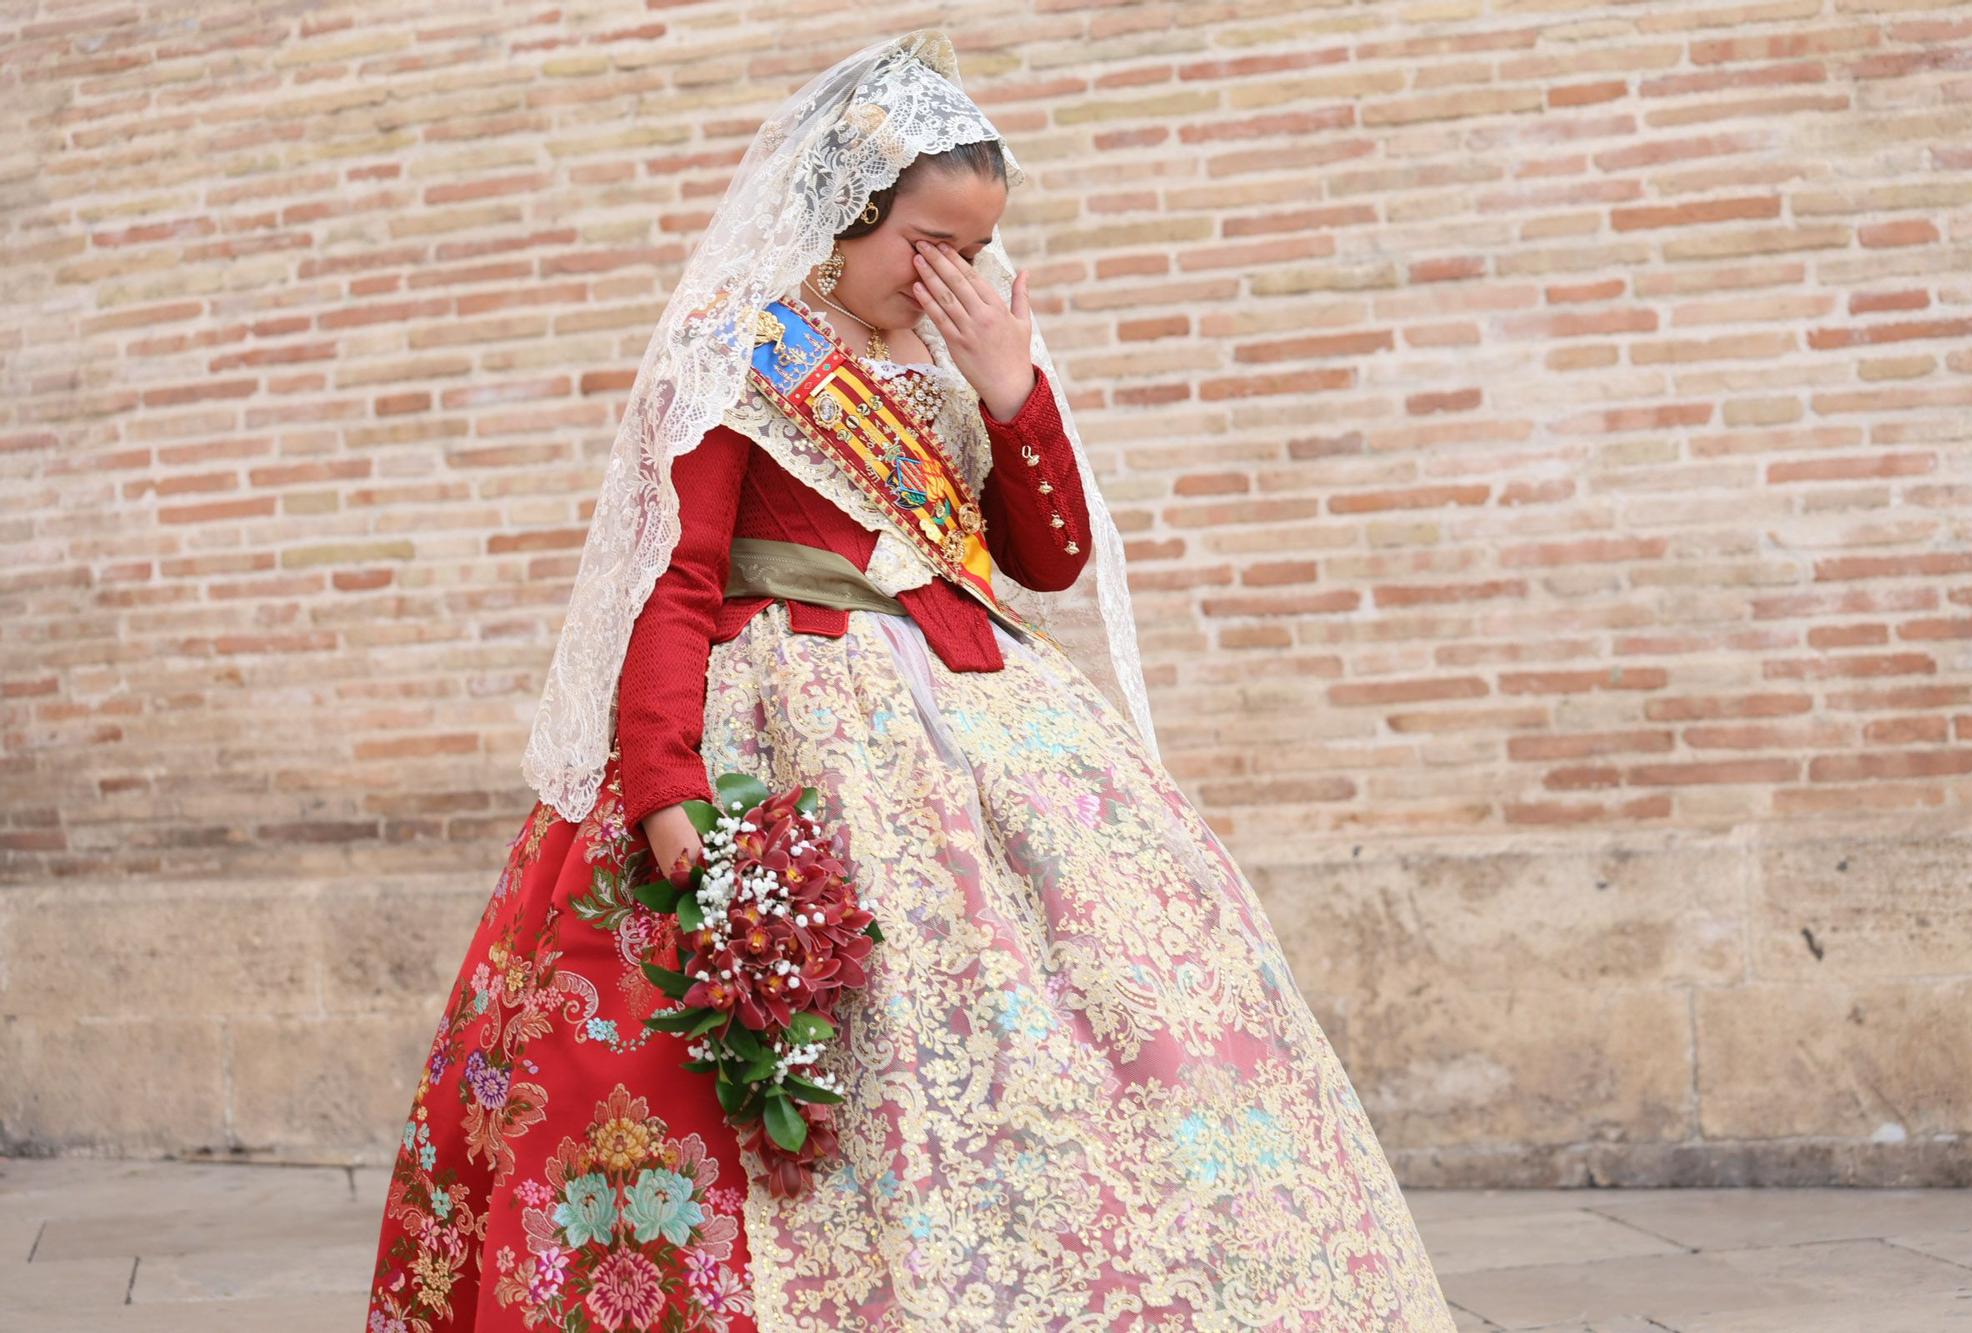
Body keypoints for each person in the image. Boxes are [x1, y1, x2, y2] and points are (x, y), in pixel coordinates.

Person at [365, 29, 1455, 1332]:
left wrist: (1013, 390)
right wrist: (667, 787)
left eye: (973, 247)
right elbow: (676, 578)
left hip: (987, 725)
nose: (950, 274)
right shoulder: (734, 349)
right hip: (796, 733)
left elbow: (1044, 558)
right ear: (844, 212)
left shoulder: (946, 364)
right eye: (924, 243)